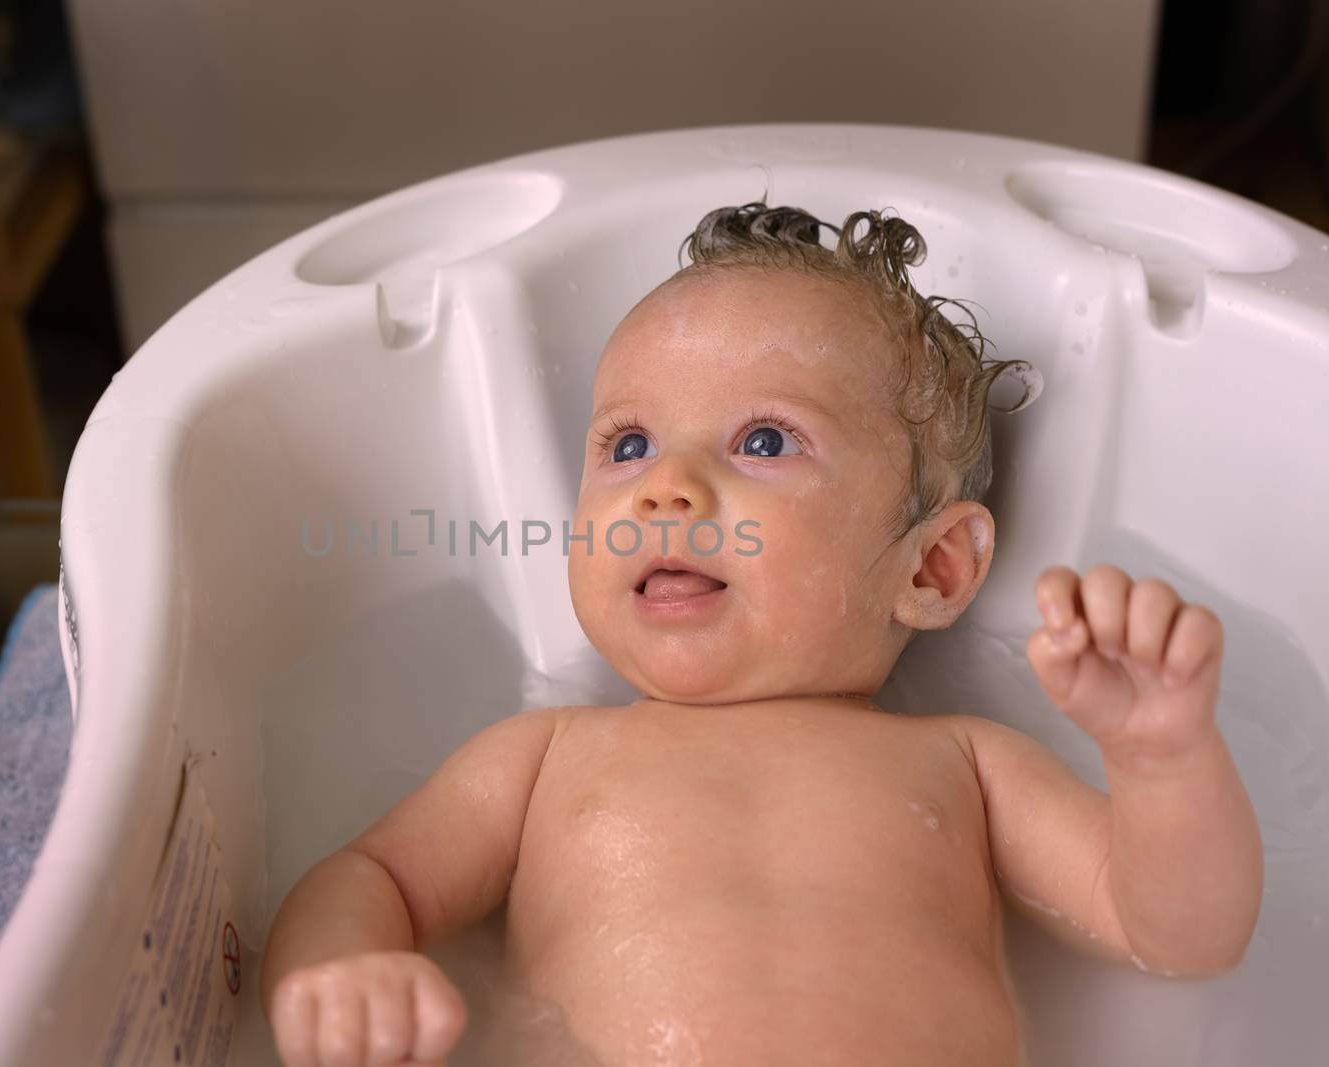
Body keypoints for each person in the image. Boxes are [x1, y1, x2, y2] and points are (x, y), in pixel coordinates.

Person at [257, 202, 1265, 1067]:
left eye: (763, 440)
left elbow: (1173, 933)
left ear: (931, 567)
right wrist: (347, 970)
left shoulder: (963, 764)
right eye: (628, 442)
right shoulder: (541, 757)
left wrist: (1160, 756)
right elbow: (370, 876)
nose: (666, 484)